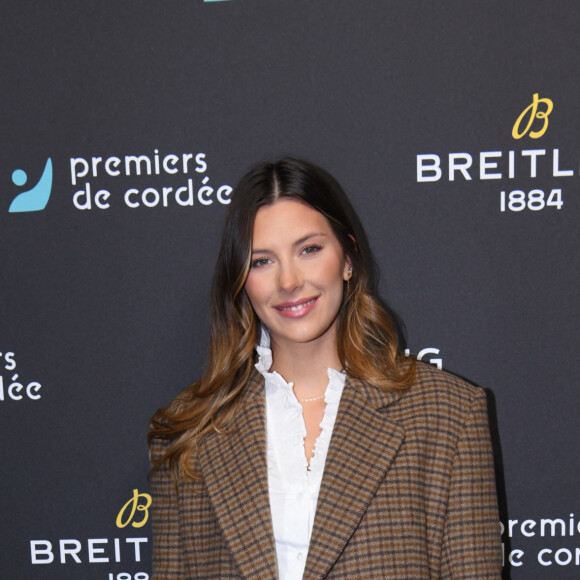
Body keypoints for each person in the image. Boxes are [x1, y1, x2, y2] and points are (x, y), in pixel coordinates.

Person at [148, 158, 503, 579]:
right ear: (240, 280)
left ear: (348, 258)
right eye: (262, 261)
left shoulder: (449, 415)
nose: (289, 281)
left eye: (309, 250)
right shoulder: (189, 430)